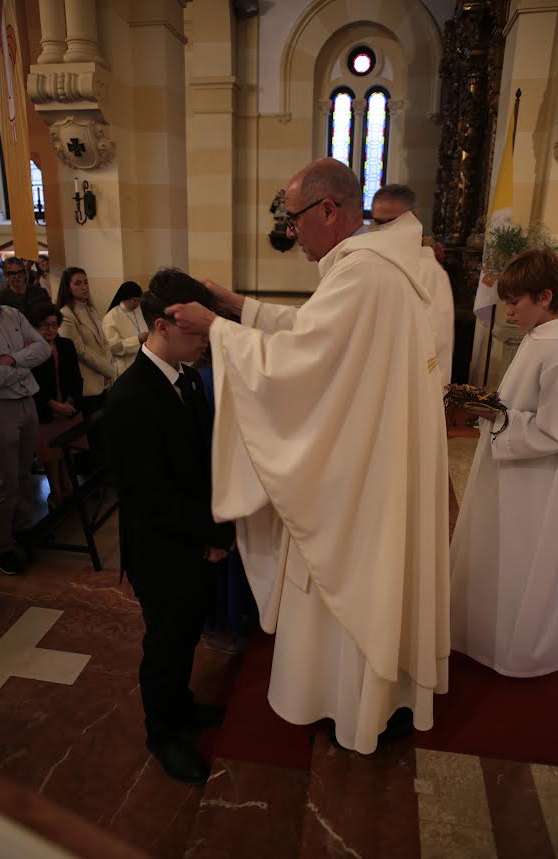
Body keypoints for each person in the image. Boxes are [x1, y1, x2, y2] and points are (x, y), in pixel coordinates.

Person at [166, 158, 450, 754]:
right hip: (375, 452)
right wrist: (237, 305)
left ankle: (354, 710)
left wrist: (216, 329)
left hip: (358, 473)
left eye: (293, 219)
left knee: (346, 576)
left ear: (327, 209)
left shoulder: (362, 272)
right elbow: (313, 332)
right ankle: (379, 700)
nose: (290, 233)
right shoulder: (379, 265)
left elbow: (298, 361)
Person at [105, 268, 235, 784]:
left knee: (185, 635)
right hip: (161, 549)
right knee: (164, 643)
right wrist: (211, 535)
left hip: (194, 538)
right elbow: (150, 495)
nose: (205, 342)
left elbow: (201, 463)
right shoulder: (129, 397)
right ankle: (161, 734)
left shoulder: (189, 380)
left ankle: (181, 706)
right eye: (197, 332)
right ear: (161, 325)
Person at [450, 248, 558, 677]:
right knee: (495, 552)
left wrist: (494, 416)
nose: (509, 311)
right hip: (512, 468)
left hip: (536, 482)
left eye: (515, 302)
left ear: (545, 296)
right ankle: (484, 637)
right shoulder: (538, 337)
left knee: (522, 562)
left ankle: (518, 653)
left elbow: (555, 431)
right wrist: (491, 405)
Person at [0, 274, 51, 575]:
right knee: (4, 481)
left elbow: (44, 349)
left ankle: (24, 528)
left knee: (24, 471)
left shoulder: (12, 314)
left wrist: (13, 359)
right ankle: (0, 545)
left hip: (27, 400)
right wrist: (26, 363)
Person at [371, 184, 455, 387]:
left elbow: (435, 338)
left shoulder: (429, 271)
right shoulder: (372, 262)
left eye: (392, 222)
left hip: (409, 379)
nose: (385, 230)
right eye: (379, 222)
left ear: (413, 220)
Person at [29, 302, 85, 510]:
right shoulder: (30, 350)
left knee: (67, 452)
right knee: (51, 455)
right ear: (35, 327)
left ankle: (68, 488)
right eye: (44, 325)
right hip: (46, 410)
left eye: (54, 325)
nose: (50, 330)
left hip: (68, 407)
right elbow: (33, 384)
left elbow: (76, 377)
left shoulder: (66, 345)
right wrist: (53, 405)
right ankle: (56, 492)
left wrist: (70, 401)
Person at [56, 268, 113, 466]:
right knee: (90, 435)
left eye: (86, 282)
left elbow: (104, 343)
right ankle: (91, 471)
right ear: (67, 287)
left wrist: (108, 368)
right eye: (78, 283)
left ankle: (104, 467)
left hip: (102, 377)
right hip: (86, 380)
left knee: (103, 431)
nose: (84, 287)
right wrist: (107, 369)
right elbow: (79, 350)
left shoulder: (91, 310)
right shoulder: (66, 314)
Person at [102, 281, 147, 378]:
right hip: (125, 368)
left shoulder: (140, 311)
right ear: (125, 298)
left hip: (143, 363)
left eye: (139, 300)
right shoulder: (111, 317)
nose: (137, 304)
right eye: (134, 300)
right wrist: (137, 339)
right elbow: (113, 347)